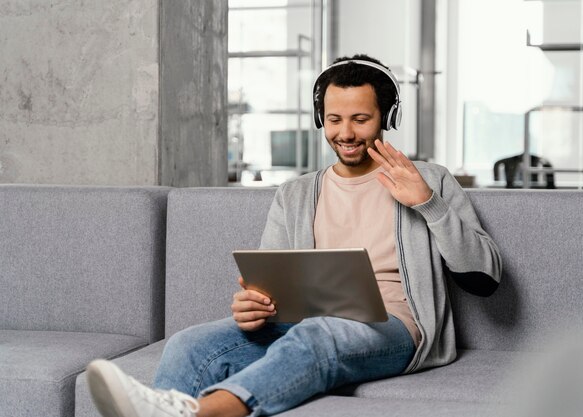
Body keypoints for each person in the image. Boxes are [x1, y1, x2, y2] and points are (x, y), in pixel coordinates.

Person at [86, 54, 502, 417]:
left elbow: (485, 277)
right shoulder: (296, 193)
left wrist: (428, 203)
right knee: (189, 344)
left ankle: (208, 412)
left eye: (360, 119)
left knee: (318, 333)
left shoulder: (429, 180)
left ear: (387, 118)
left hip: (396, 328)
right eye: (335, 119)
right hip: (306, 322)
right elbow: (272, 281)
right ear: (321, 118)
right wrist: (255, 304)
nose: (346, 133)